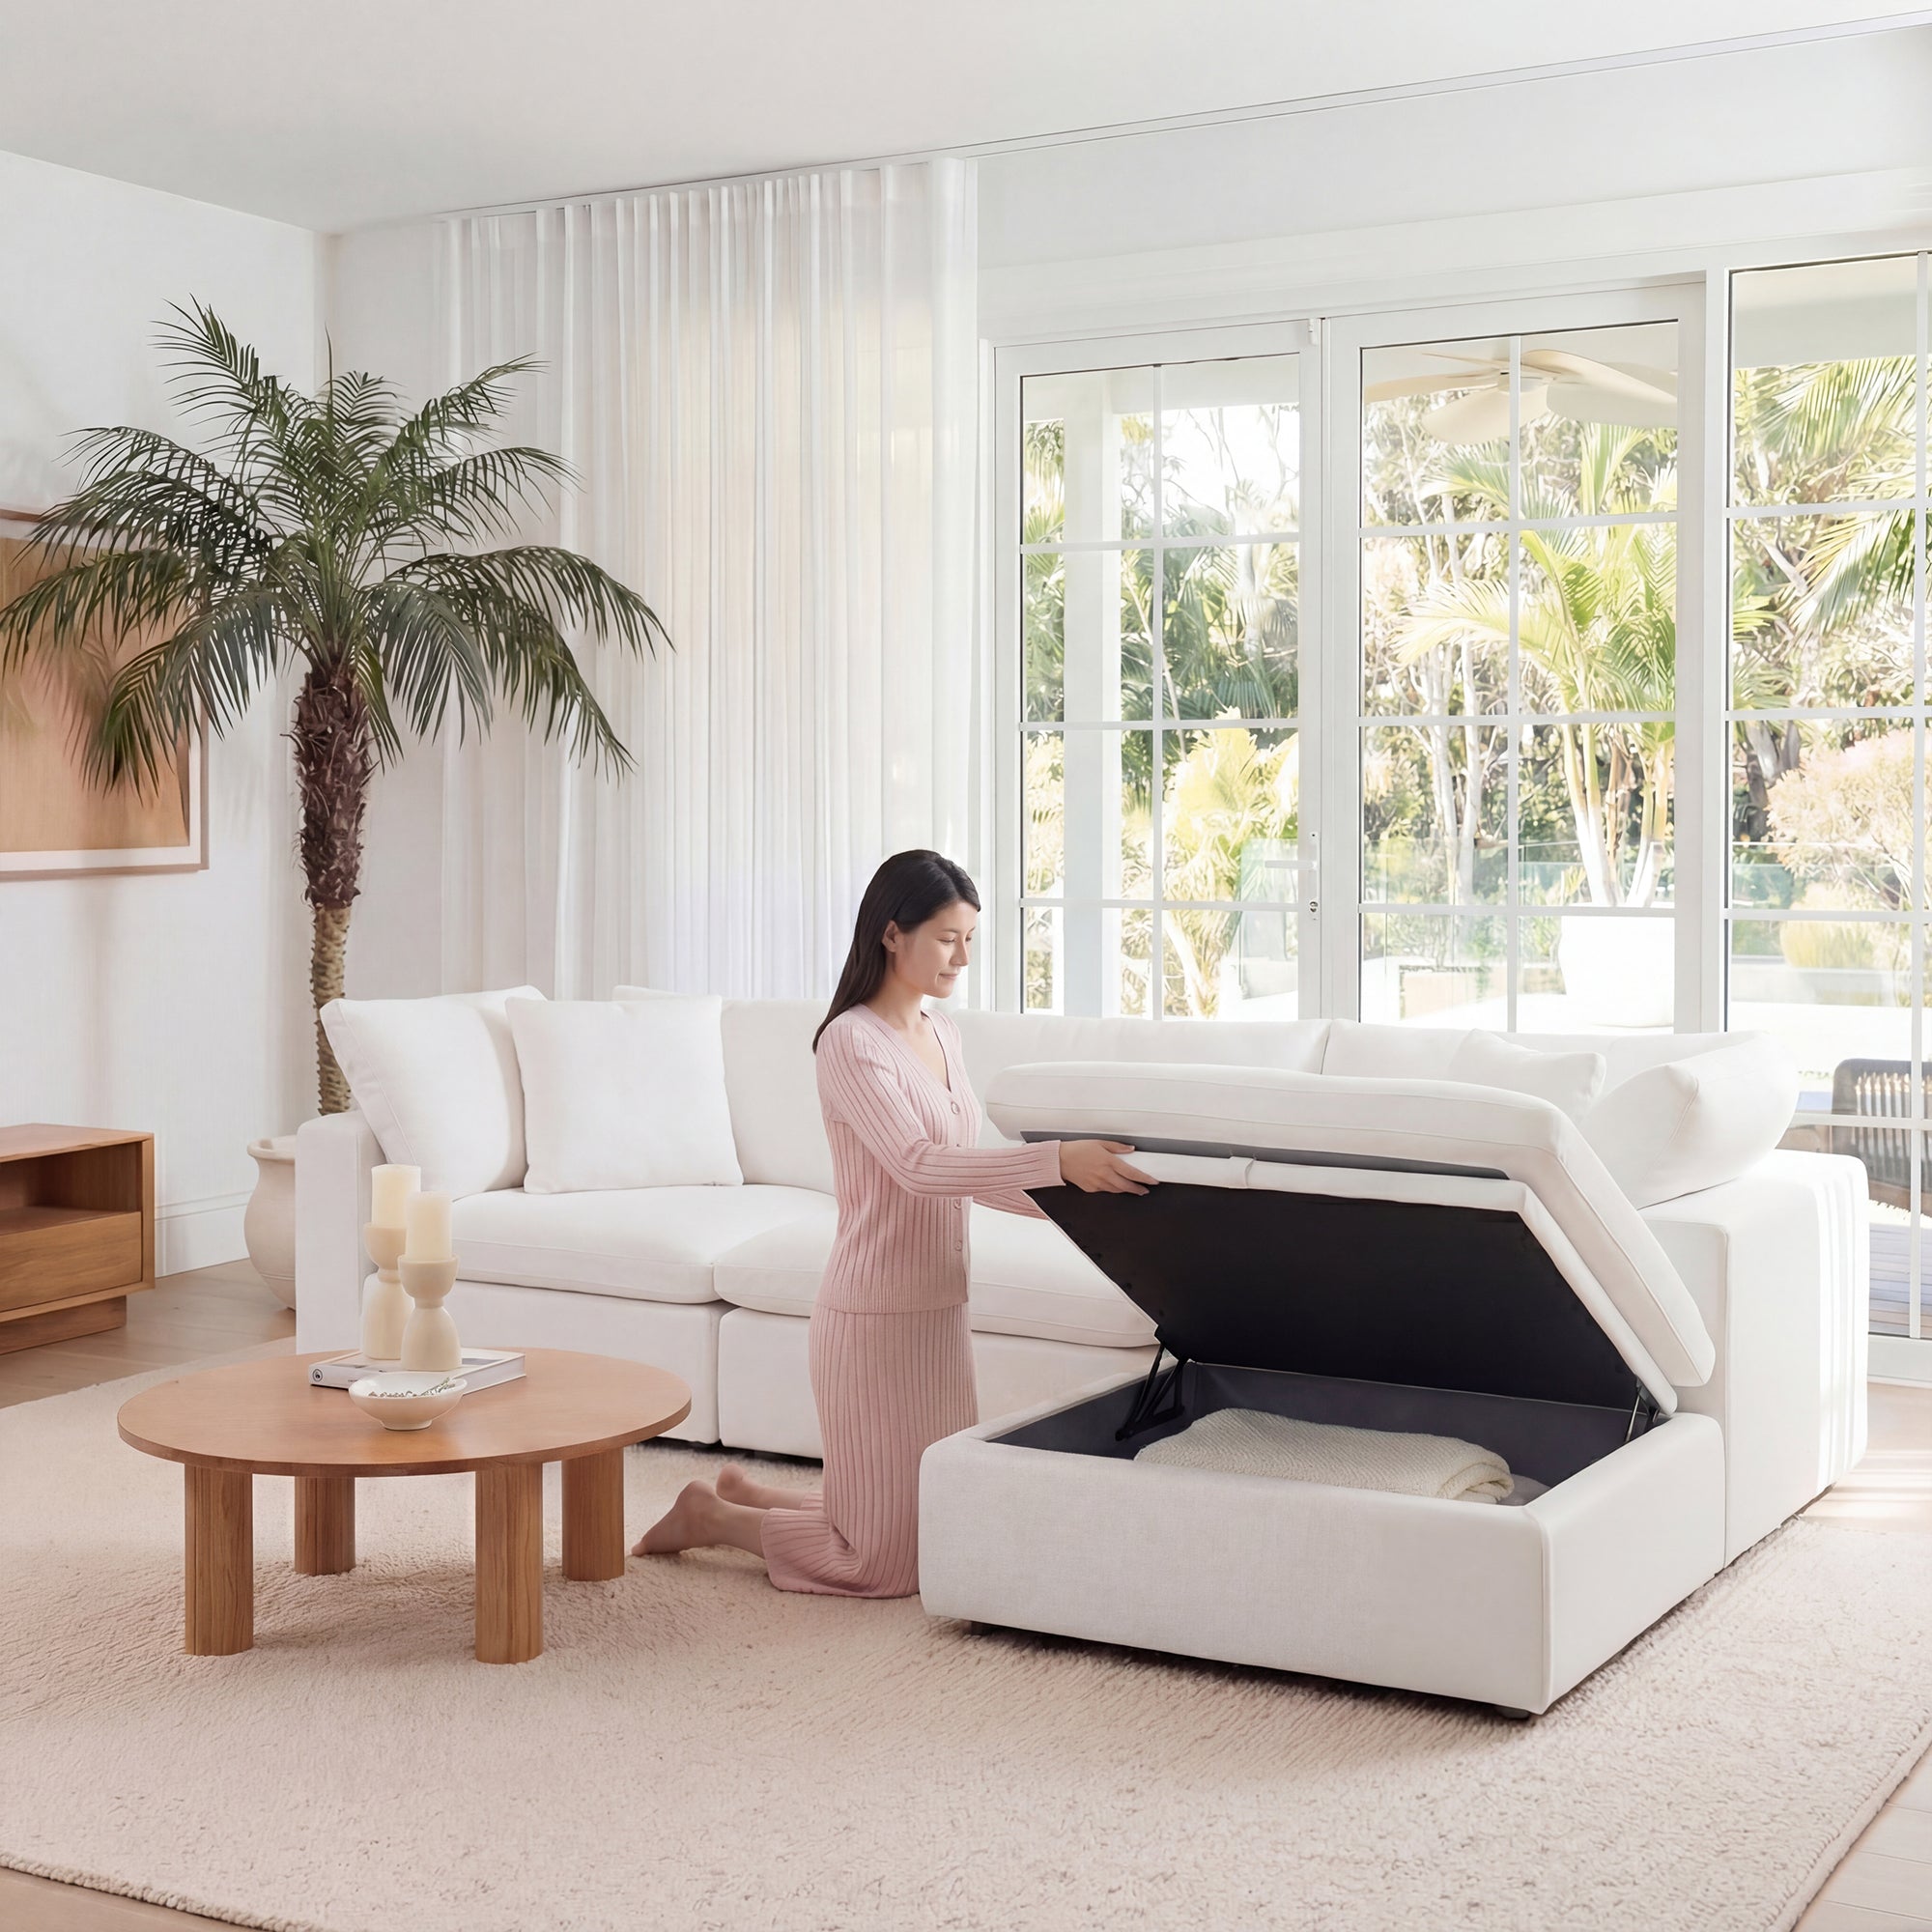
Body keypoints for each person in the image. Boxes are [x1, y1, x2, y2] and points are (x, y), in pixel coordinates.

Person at [633, 849, 1155, 1593]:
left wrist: (1085, 1205)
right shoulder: (848, 1042)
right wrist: (1055, 1161)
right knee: (883, 1565)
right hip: (872, 1318)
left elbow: (964, 1167)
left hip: (939, 1311)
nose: (962, 958)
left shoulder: (943, 1034)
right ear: (891, 934)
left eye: (969, 939)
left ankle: (751, 1495)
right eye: (947, 938)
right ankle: (712, 1517)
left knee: (938, 1521)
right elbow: (918, 1166)